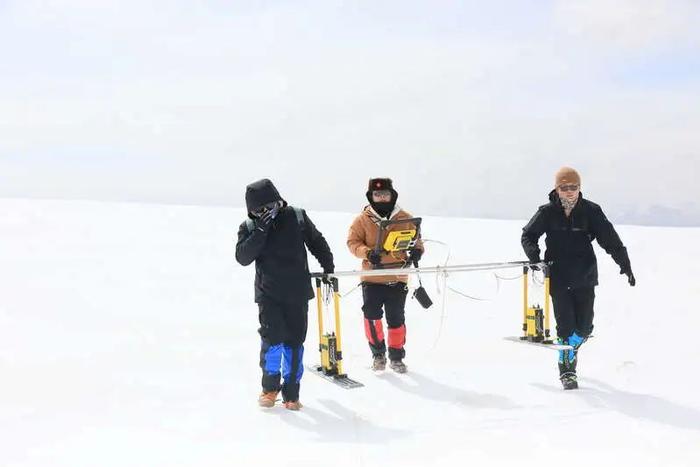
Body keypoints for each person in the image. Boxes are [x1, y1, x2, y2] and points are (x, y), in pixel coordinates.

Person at [521, 167, 635, 389]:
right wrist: (534, 256)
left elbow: (610, 239)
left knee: (584, 328)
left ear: (579, 188)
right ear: (557, 188)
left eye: (574, 187)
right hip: (558, 277)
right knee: (565, 326)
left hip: (585, 276)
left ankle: (571, 347)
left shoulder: (591, 211)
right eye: (565, 187)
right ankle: (567, 370)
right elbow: (528, 234)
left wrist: (625, 264)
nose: (570, 191)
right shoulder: (547, 212)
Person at [235, 179, 334, 410]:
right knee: (273, 342)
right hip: (268, 295)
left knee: (294, 344)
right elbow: (243, 257)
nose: (265, 212)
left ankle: (291, 394)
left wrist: (328, 265)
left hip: (297, 292)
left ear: (278, 201)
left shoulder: (296, 216)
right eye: (259, 210)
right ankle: (269, 389)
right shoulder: (249, 227)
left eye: (269, 207)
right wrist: (261, 229)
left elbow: (317, 241)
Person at [347, 178, 424, 373]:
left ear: (392, 195)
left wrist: (418, 251)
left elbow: (417, 240)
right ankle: (378, 354)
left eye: (385, 194)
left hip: (398, 277)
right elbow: (352, 242)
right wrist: (366, 252)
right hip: (372, 278)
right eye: (377, 194)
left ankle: (396, 357)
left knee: (396, 319)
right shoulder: (361, 220)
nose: (381, 198)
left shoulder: (405, 217)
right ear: (371, 196)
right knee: (372, 316)